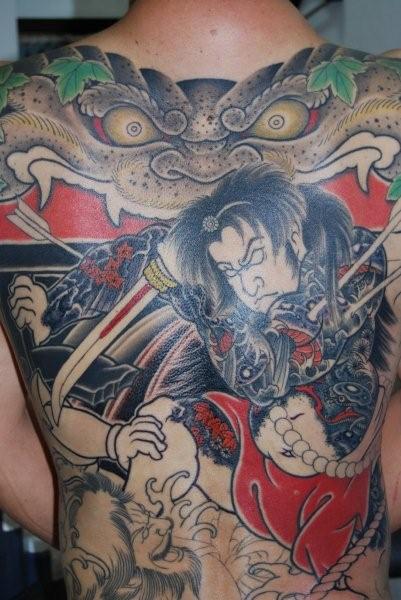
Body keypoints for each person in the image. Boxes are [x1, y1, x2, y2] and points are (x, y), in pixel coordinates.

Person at [1, 0, 401, 598]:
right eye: (230, 268)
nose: (247, 280)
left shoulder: (12, 112)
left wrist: (323, 498)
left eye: (251, 257)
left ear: (293, 237)